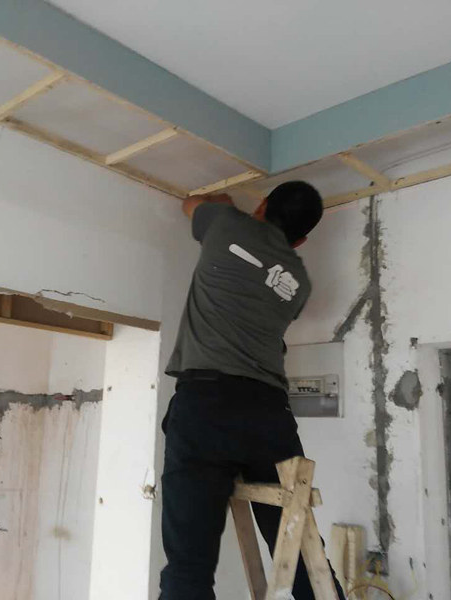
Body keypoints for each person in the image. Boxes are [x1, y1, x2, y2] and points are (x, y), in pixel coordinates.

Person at [159, 181, 347, 600]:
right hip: (268, 415)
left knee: (189, 566)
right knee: (299, 548)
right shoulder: (299, 283)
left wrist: (223, 204)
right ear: (301, 240)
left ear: (261, 204)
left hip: (206, 405)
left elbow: (190, 203)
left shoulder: (225, 224)